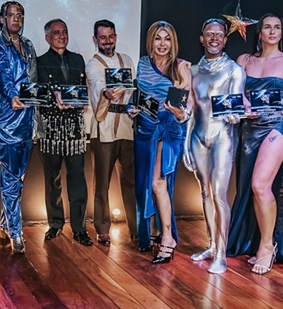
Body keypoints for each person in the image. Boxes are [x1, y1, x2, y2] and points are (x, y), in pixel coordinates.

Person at [226, 14, 283, 273]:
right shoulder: (243, 60)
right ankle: (257, 241)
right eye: (267, 27)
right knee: (251, 188)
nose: (272, 31)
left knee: (260, 185)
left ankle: (267, 246)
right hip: (249, 130)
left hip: (277, 126)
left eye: (277, 27)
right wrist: (244, 104)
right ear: (259, 32)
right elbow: (235, 93)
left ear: (282, 32)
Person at [127, 22, 192, 263]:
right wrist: (132, 108)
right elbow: (138, 95)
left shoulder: (181, 67)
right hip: (145, 129)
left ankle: (168, 237)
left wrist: (179, 113)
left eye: (167, 39)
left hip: (169, 129)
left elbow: (187, 106)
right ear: (150, 41)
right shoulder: (143, 63)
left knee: (157, 183)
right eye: (158, 38)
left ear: (173, 42)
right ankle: (154, 232)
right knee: (146, 183)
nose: (162, 44)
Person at [185, 18, 245, 275]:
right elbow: (190, 109)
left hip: (223, 136)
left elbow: (236, 105)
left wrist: (235, 114)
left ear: (225, 40)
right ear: (202, 39)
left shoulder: (234, 70)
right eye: (209, 34)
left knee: (219, 194)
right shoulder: (193, 70)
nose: (214, 38)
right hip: (198, 136)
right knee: (205, 193)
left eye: (219, 34)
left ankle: (222, 254)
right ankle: (211, 245)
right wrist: (186, 144)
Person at [0, 1, 37, 254]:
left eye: (20, 15)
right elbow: (2, 75)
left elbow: (33, 81)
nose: (16, 19)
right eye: (11, 15)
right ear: (2, 18)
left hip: (28, 119)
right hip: (7, 120)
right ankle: (16, 232)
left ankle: (7, 222)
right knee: (10, 177)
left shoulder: (28, 45)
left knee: (19, 178)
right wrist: (13, 95)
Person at [37, 19, 92, 246]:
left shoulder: (78, 60)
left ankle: (79, 228)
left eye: (64, 32)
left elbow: (84, 91)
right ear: (47, 37)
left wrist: (79, 100)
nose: (61, 36)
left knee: (78, 179)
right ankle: (55, 223)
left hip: (75, 128)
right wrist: (54, 98)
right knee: (53, 180)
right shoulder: (39, 62)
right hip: (50, 127)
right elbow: (37, 93)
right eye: (56, 32)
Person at [85, 19, 136, 245]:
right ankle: (102, 228)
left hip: (127, 126)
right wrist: (106, 92)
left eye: (111, 36)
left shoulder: (127, 60)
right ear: (95, 39)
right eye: (103, 37)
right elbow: (97, 84)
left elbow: (133, 91)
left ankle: (137, 228)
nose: (107, 41)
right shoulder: (93, 64)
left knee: (131, 181)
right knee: (102, 182)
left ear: (116, 37)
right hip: (104, 128)